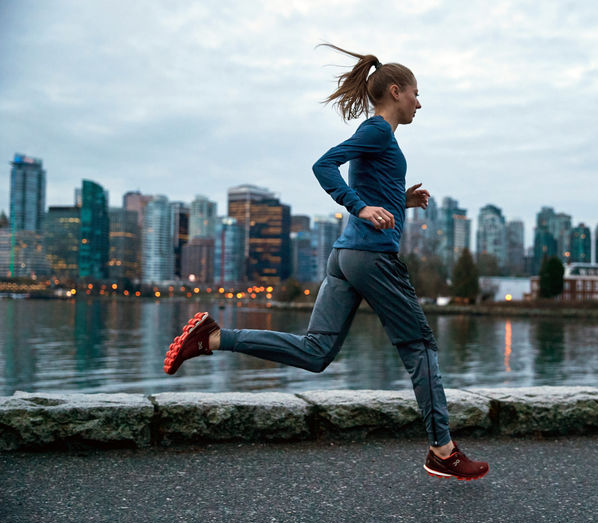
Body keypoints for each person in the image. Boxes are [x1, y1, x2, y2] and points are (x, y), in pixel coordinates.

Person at [164, 44, 488, 481]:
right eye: (416, 93)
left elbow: (370, 188)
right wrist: (359, 208)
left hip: (346, 257)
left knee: (316, 353)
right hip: (372, 257)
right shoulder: (377, 132)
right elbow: (324, 165)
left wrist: (400, 201)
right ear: (395, 91)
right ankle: (442, 451)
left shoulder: (380, 138)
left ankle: (215, 337)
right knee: (421, 347)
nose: (419, 102)